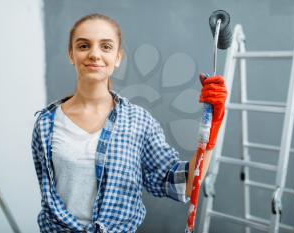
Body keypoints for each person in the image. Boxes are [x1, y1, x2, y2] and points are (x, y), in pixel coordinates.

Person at [31, 13, 227, 233]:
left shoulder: (139, 123)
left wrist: (210, 134)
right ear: (71, 54)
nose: (94, 54)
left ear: (118, 57)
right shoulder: (46, 124)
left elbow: (184, 184)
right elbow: (51, 202)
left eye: (106, 47)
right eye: (84, 46)